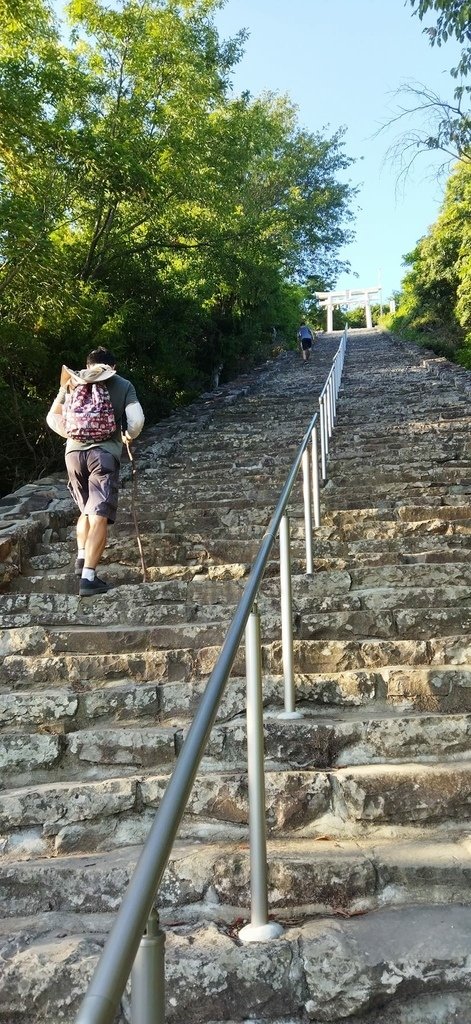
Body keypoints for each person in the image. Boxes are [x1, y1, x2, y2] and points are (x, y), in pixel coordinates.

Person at [47, 347, 144, 597]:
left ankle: (81, 556)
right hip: (104, 455)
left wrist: (74, 435)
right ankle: (89, 577)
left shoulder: (73, 381)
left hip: (73, 454)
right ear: (114, 366)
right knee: (99, 513)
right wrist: (126, 436)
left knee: (86, 510)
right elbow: (136, 420)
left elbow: (53, 418)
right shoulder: (122, 384)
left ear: (87, 364)